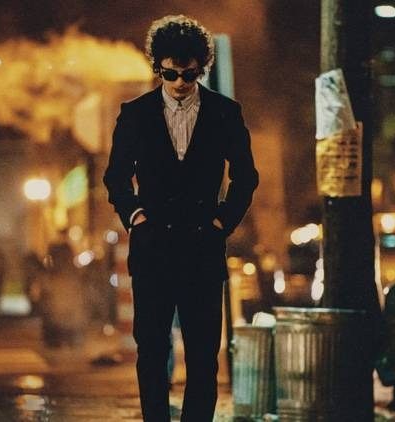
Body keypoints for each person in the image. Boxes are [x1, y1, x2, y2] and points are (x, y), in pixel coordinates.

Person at [103, 15, 258, 422]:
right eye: (170, 73)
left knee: (204, 355)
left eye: (188, 74)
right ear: (158, 67)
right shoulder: (135, 114)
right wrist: (135, 216)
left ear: (201, 68)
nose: (179, 83)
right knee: (152, 352)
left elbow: (246, 176)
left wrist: (222, 222)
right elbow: (115, 176)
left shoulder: (225, 112)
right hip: (152, 249)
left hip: (202, 248)